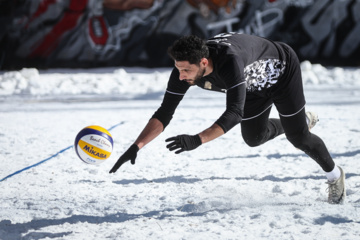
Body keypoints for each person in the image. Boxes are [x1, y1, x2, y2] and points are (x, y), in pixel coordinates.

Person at [109, 32, 346, 204]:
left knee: (299, 137)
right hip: (252, 87)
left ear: (203, 62)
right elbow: (164, 112)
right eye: (178, 69)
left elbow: (234, 113)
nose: (181, 76)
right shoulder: (184, 69)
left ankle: (335, 176)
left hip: (282, 72)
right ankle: (299, 120)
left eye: (186, 71)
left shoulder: (229, 61)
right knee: (254, 138)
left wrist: (197, 139)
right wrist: (136, 146)